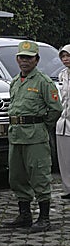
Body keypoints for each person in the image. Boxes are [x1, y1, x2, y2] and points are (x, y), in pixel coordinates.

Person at [7, 40, 62, 232]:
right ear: (17, 59)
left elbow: (55, 109)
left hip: (35, 136)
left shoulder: (43, 82)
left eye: (29, 58)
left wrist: (41, 126)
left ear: (36, 60)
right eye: (22, 57)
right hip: (16, 136)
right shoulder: (15, 82)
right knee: (16, 177)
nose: (25, 61)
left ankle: (44, 218)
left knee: (39, 175)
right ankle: (24, 215)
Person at [56, 44, 70, 199]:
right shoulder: (62, 75)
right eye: (63, 56)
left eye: (68, 56)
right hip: (63, 122)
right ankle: (68, 188)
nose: (65, 59)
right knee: (64, 159)